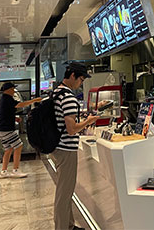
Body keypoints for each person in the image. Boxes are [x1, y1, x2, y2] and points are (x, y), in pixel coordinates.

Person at [51, 62, 100, 230]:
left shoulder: (57, 92)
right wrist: (88, 121)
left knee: (65, 190)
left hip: (58, 147)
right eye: (81, 79)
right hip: (66, 149)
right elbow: (71, 129)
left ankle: (69, 225)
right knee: (64, 193)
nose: (81, 83)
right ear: (73, 76)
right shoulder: (68, 97)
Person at [0, 81, 42, 179]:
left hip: (1, 129)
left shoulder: (2, 100)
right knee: (18, 146)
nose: (14, 91)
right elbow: (20, 105)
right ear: (8, 90)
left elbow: (4, 113)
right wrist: (34, 100)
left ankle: (3, 171)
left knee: (8, 149)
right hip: (7, 129)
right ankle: (15, 170)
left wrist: (14, 118)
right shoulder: (8, 99)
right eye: (13, 89)